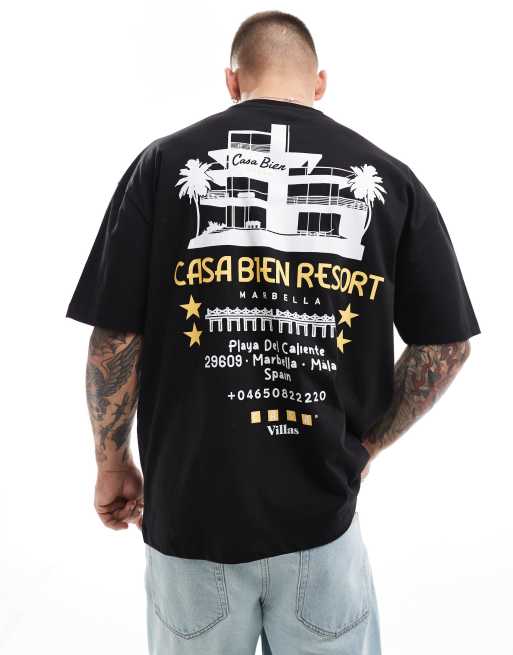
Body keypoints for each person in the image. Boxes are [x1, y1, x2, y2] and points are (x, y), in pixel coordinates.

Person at [65, 10, 480, 655]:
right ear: (319, 83)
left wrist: (112, 463)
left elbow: (114, 341)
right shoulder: (389, 180)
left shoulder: (162, 166)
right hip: (321, 518)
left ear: (232, 82)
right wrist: (366, 446)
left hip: (191, 524)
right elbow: (446, 345)